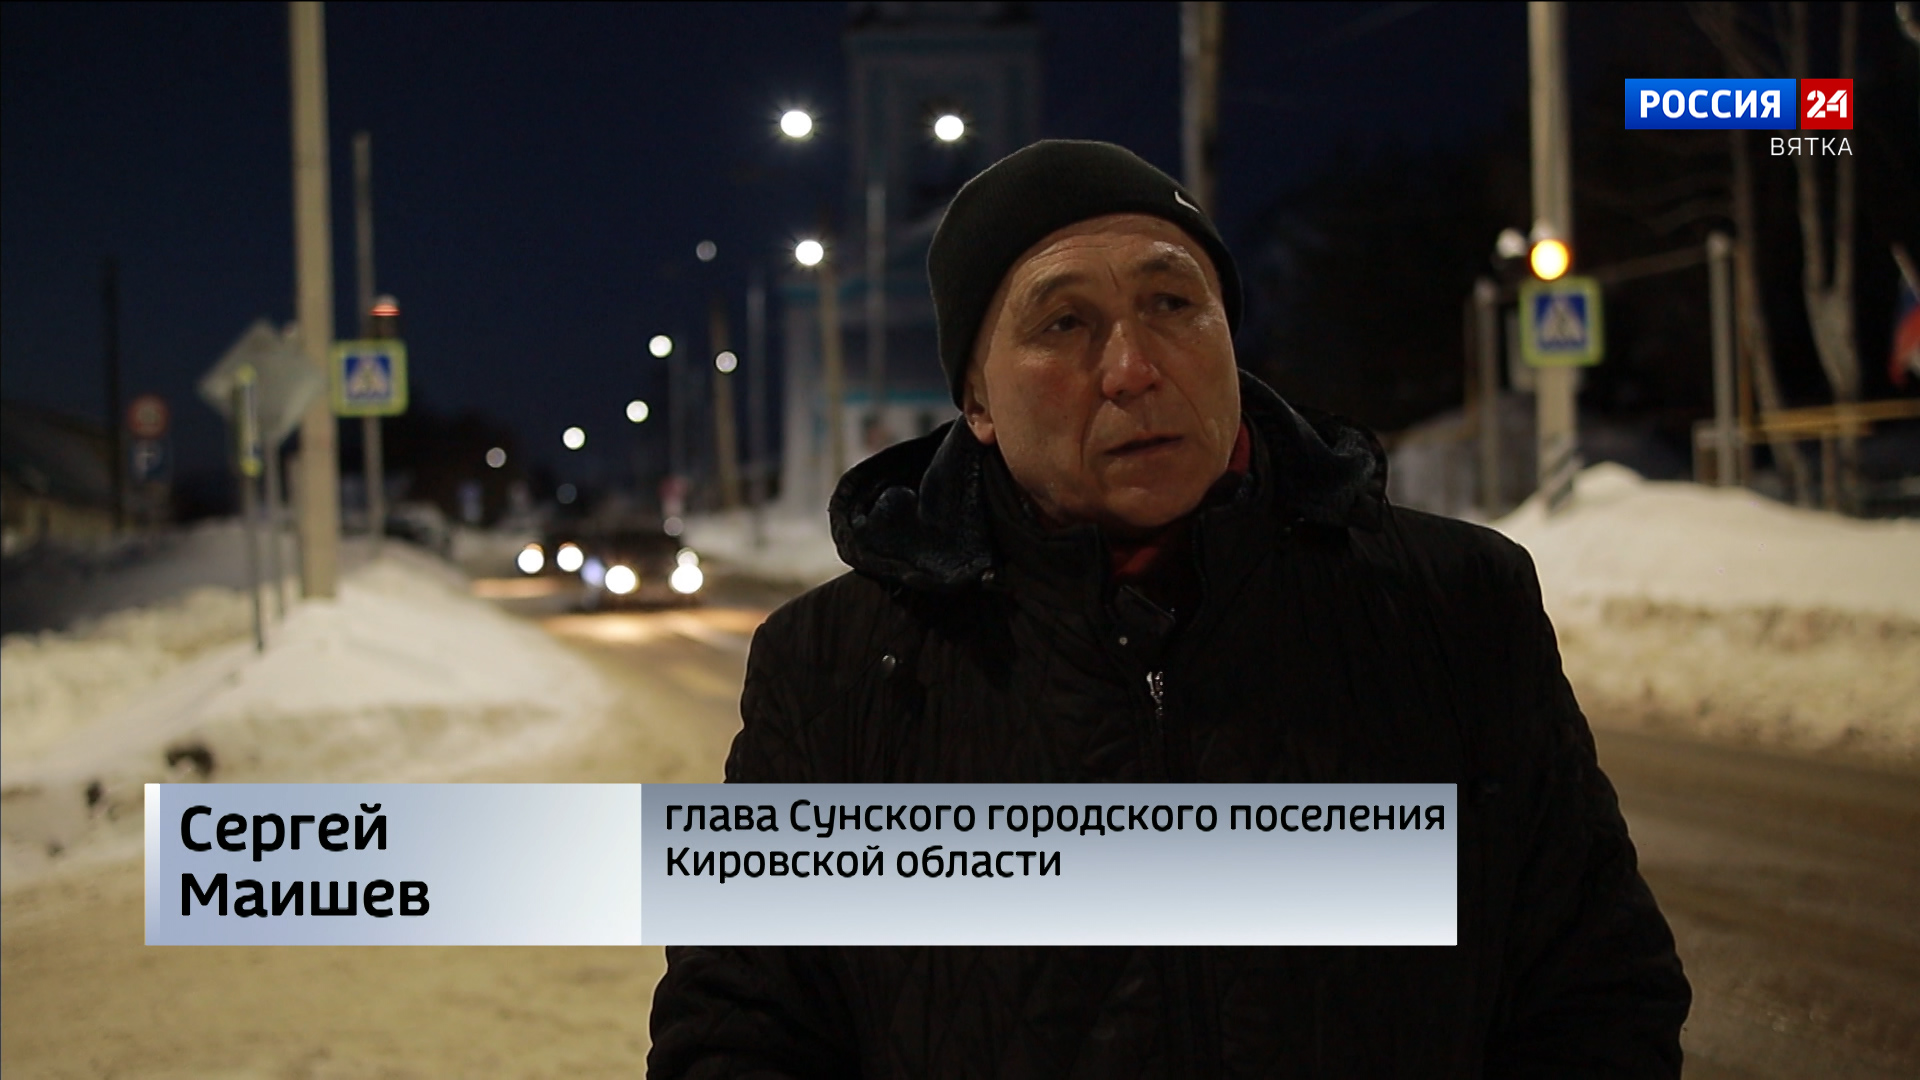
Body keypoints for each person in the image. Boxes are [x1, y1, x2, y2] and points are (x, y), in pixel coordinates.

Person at [649, 140, 1690, 1078]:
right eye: (1064, 324)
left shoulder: (1454, 606)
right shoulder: (834, 669)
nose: (1134, 369)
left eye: (1173, 304)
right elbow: (738, 1029)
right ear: (977, 402)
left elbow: (1597, 991)